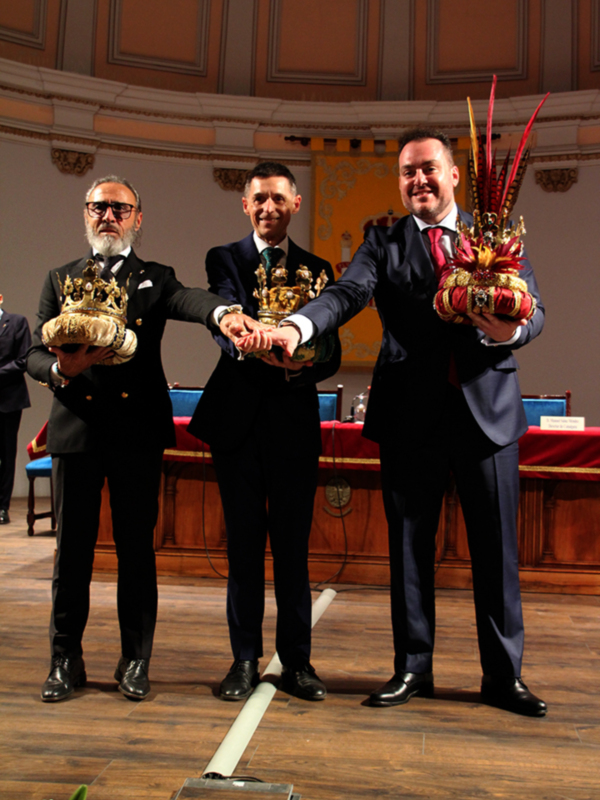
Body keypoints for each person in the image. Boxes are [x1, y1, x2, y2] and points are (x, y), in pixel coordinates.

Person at [267, 130, 548, 717]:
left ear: (452, 175)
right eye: (407, 172)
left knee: (497, 554)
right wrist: (299, 327)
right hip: (409, 419)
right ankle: (412, 668)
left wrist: (512, 330)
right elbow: (346, 293)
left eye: (428, 169)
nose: (418, 180)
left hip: (488, 417)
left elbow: (535, 308)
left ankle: (503, 676)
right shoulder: (382, 242)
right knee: (408, 551)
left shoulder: (490, 232)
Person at [27, 175, 265, 703]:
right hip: (77, 430)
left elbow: (191, 300)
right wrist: (62, 369)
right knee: (71, 555)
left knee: (137, 553)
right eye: (98, 207)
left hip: (135, 433)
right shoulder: (60, 277)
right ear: (85, 214)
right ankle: (64, 659)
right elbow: (32, 353)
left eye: (119, 208)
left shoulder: (155, 278)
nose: (107, 216)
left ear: (138, 218)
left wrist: (224, 313)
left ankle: (135, 661)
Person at [188, 162, 341, 701]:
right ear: (245, 205)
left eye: (278, 198)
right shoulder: (224, 258)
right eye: (259, 199)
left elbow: (331, 351)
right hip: (238, 424)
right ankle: (244, 661)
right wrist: (253, 339)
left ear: (296, 203)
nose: (268, 207)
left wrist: (302, 364)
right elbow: (226, 313)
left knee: (293, 552)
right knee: (245, 550)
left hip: (294, 425)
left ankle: (298, 663)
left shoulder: (318, 268)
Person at [0, 295, 31, 523]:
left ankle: (2, 507)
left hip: (8, 399)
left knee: (6, 454)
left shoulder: (16, 322)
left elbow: (24, 360)